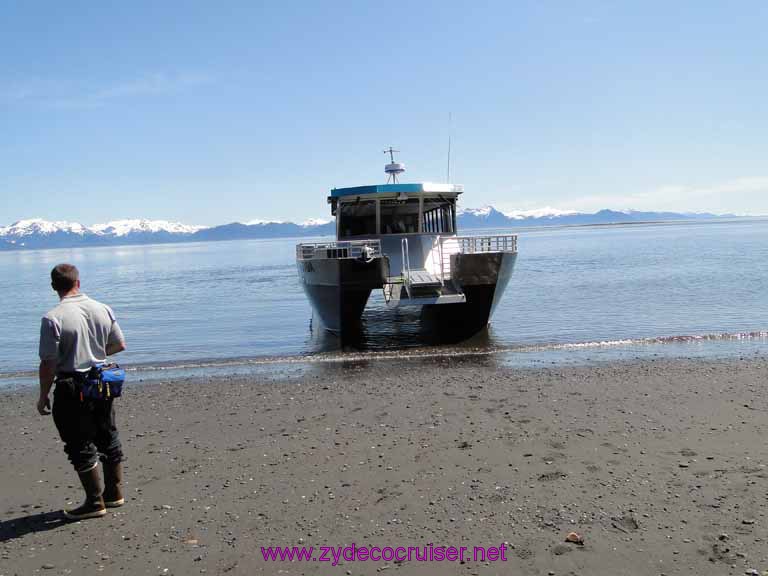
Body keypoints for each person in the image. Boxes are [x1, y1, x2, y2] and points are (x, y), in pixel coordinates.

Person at [38, 263, 127, 521]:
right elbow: (119, 344)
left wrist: (43, 394)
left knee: (78, 442)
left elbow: (48, 363)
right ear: (78, 281)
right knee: (107, 433)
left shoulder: (53, 317)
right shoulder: (102, 308)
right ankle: (114, 493)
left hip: (72, 385)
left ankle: (94, 502)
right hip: (102, 379)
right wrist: (95, 353)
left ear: (54, 286)